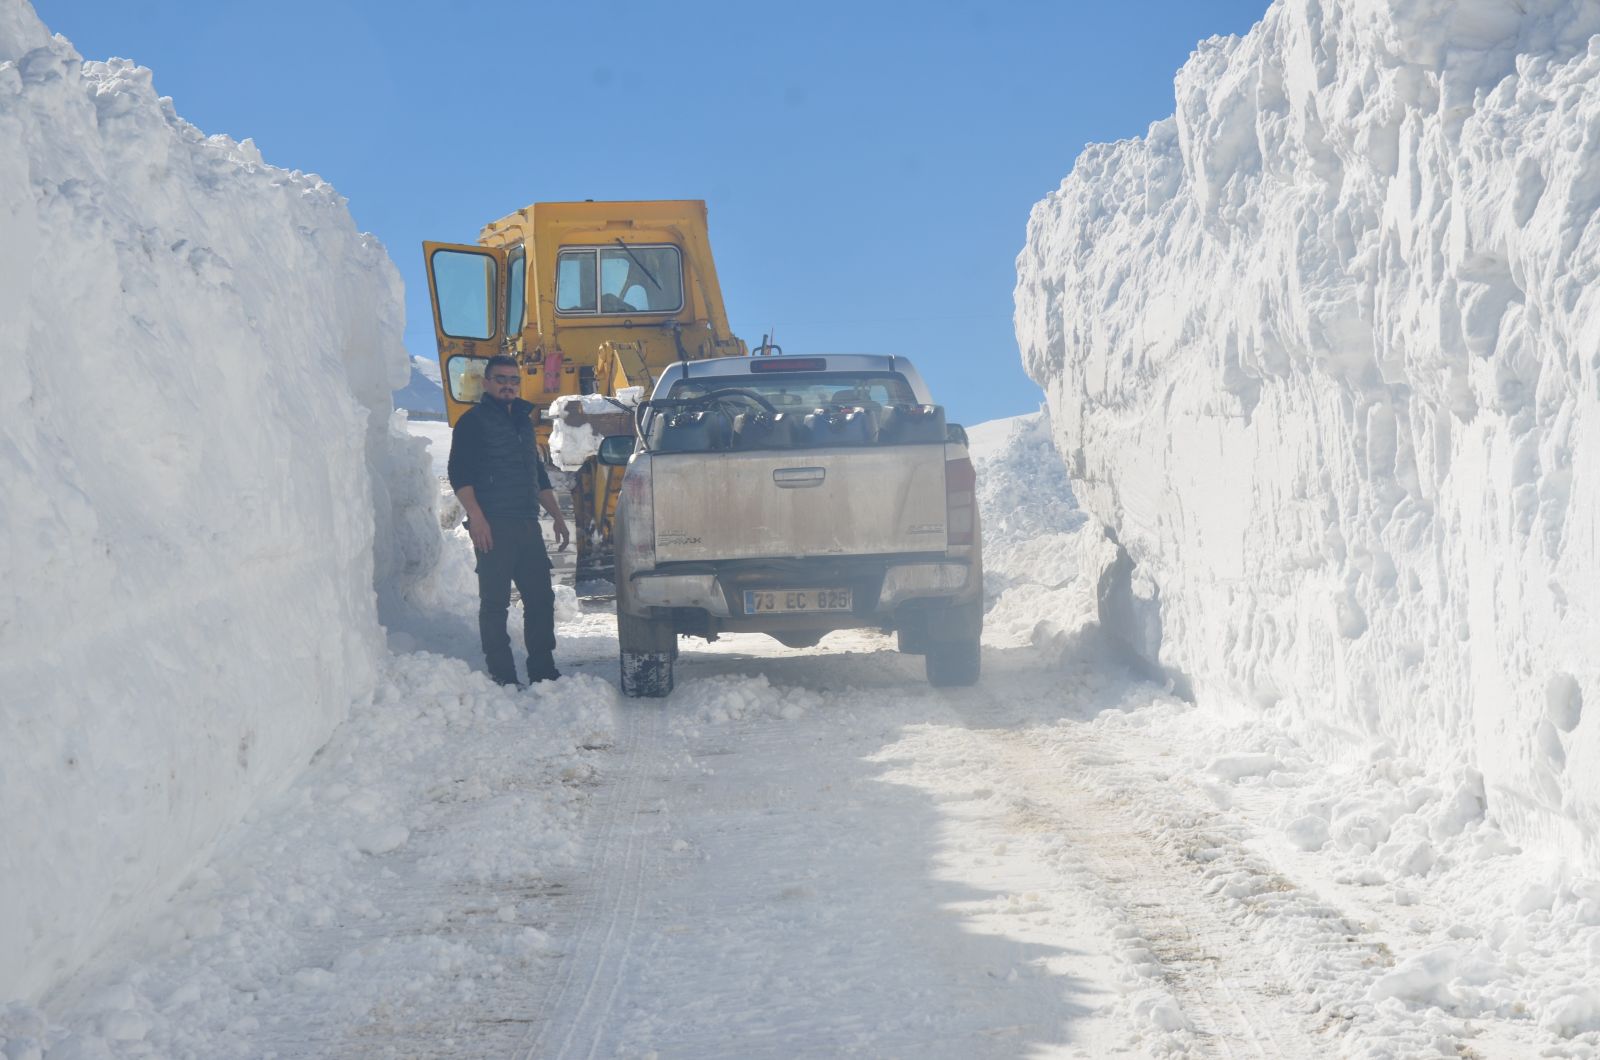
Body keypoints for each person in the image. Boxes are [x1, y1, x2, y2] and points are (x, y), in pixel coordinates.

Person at [448, 355, 571, 686]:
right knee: (495, 604)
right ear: (486, 383)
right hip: (493, 525)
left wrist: (557, 516)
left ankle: (543, 671)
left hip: (527, 524)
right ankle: (502, 675)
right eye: (501, 379)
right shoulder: (472, 422)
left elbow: (537, 476)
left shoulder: (523, 423)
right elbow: (459, 473)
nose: (508, 385)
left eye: (514, 380)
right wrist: (477, 518)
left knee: (541, 600)